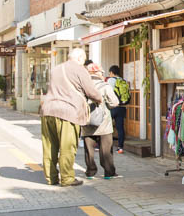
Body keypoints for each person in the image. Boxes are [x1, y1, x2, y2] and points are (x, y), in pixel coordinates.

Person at [40, 48, 102, 187]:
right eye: (84, 59)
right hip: (68, 112)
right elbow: (91, 91)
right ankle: (67, 178)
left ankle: (51, 177)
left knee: (49, 146)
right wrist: (100, 99)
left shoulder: (56, 69)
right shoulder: (80, 70)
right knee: (67, 146)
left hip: (48, 109)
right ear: (80, 58)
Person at [81, 62, 120, 179]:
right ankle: (109, 172)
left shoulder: (82, 86)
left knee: (89, 150)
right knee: (106, 150)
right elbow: (115, 102)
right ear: (98, 73)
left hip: (87, 122)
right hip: (104, 123)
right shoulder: (105, 86)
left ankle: (90, 172)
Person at [107, 65, 130, 154]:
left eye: (110, 73)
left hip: (113, 106)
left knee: (107, 126)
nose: (109, 74)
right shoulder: (123, 81)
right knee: (120, 127)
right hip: (122, 107)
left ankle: (103, 146)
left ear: (112, 73)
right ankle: (120, 148)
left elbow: (108, 93)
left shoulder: (110, 80)